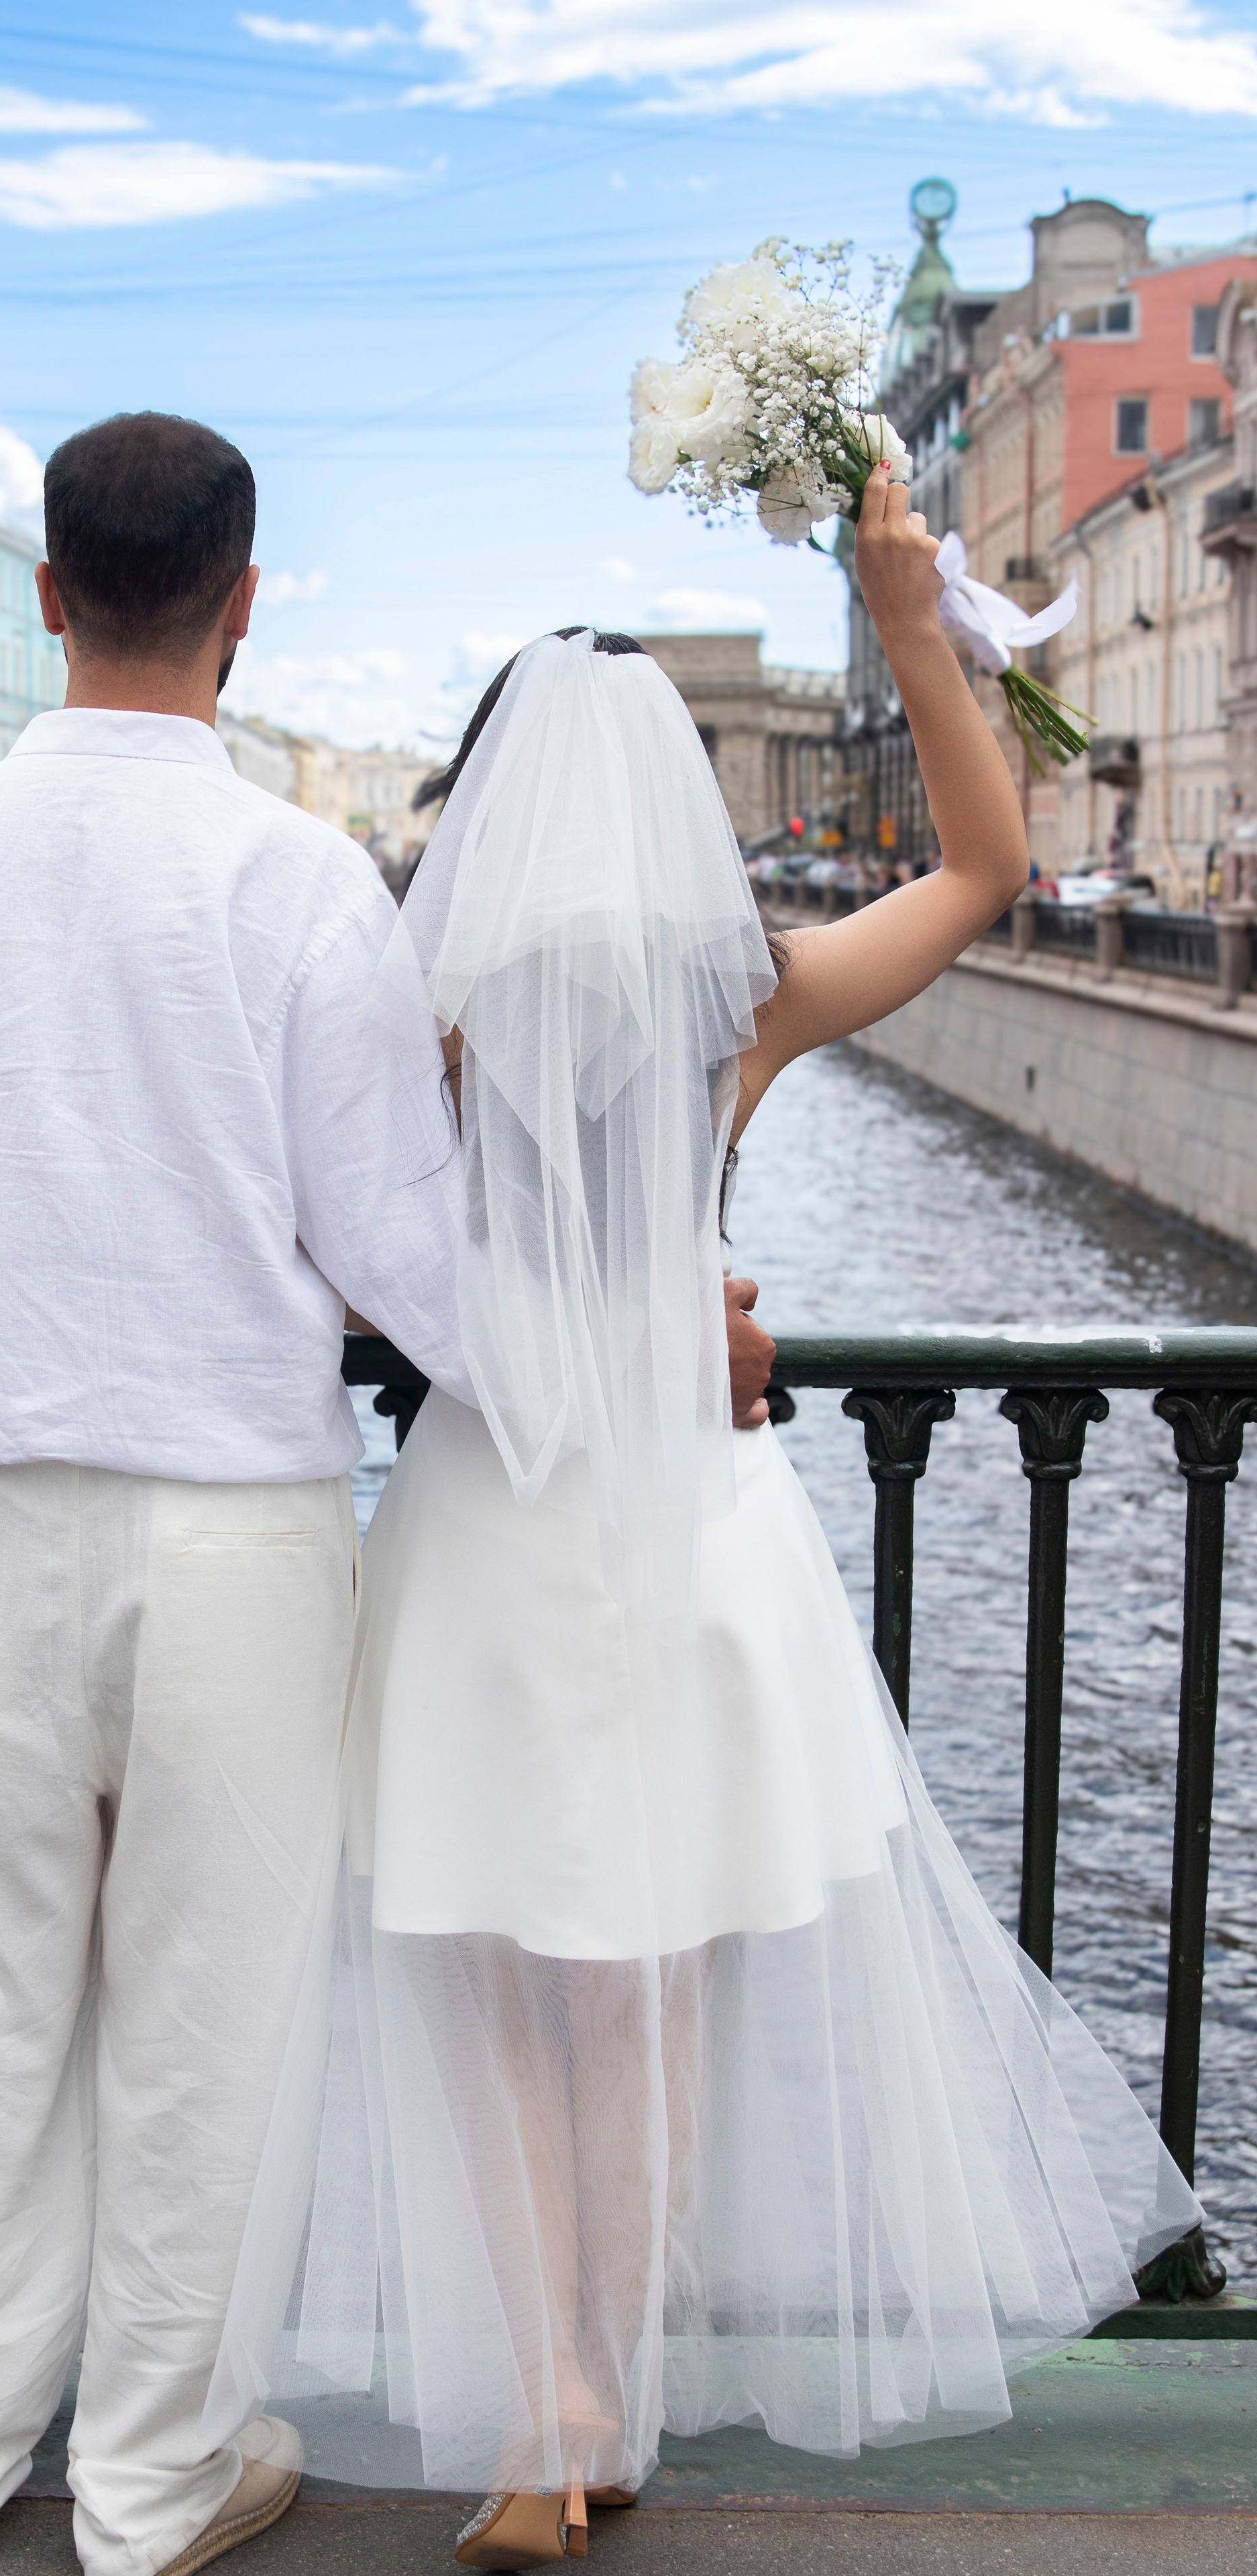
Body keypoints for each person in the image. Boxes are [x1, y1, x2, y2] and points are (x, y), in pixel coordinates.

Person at [0, 412, 771, 2576]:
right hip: (234, 1529)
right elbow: (404, 1258)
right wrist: (621, 1385)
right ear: (241, 603)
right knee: (209, 2029)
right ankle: (157, 2484)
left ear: (42, 596)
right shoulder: (301, 882)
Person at [203, 468, 1203, 2568]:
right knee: (655, 1981)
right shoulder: (742, 1002)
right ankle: (611, 2386)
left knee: (484, 1968)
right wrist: (909, 615)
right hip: (690, 1522)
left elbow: (326, 1250)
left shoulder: (421, 1010)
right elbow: (995, 861)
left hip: (484, 1511)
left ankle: (535, 2409)